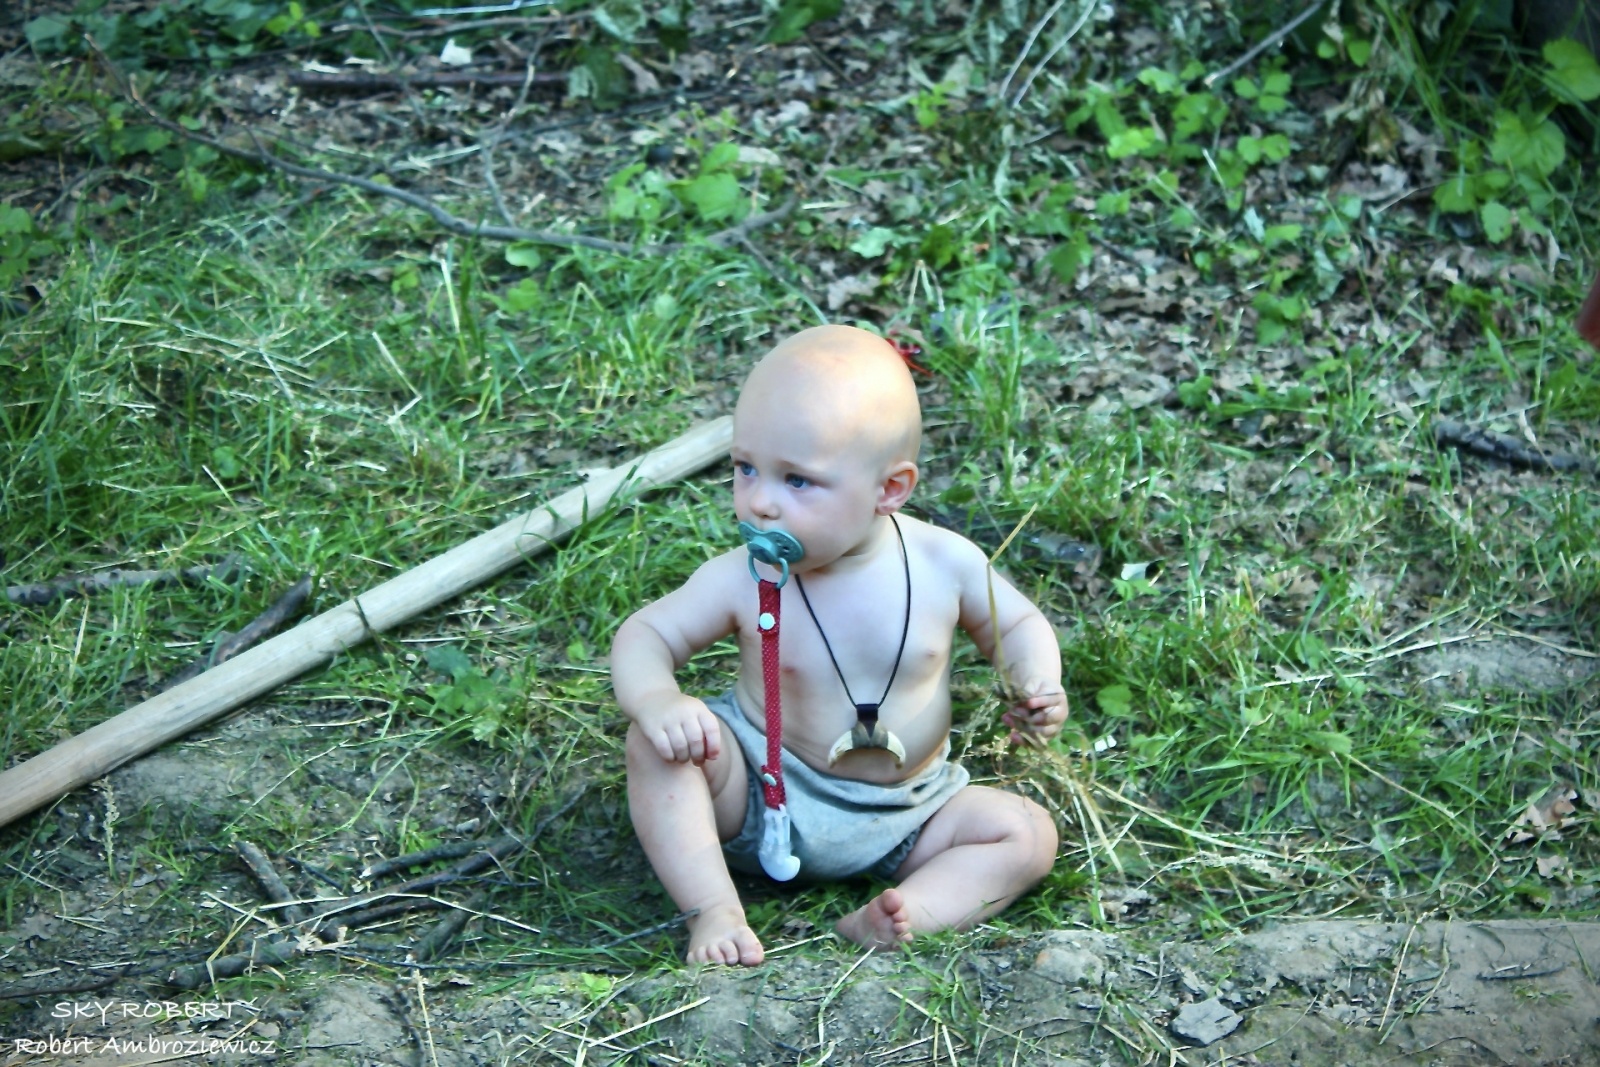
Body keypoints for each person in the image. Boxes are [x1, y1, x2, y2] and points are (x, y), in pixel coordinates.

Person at [610, 324, 1066, 966]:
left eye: (798, 481)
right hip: (765, 793)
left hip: (912, 811)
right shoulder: (745, 577)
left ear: (889, 490)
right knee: (654, 749)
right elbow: (645, 633)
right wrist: (657, 700)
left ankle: (906, 914)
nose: (761, 503)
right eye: (745, 469)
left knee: (1024, 833)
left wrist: (1036, 681)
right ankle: (714, 909)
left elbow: (1016, 625)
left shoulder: (944, 565)